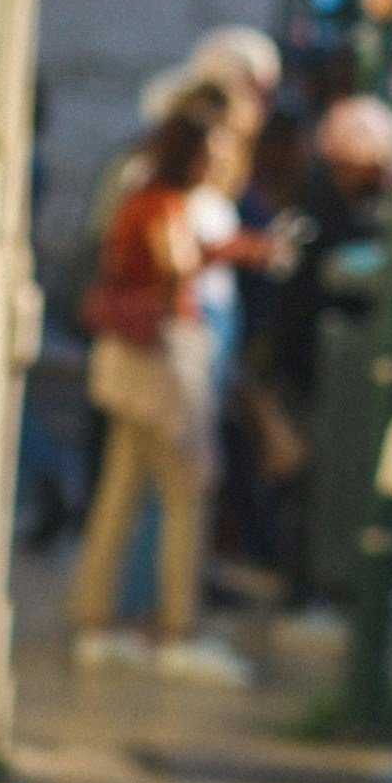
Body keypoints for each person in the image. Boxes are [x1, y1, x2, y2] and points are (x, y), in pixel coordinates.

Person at [78, 88, 273, 680]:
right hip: (157, 364)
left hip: (135, 363)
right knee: (188, 492)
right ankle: (174, 625)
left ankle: (97, 616)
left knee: (121, 491)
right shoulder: (161, 204)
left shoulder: (149, 200)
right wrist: (232, 252)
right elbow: (175, 267)